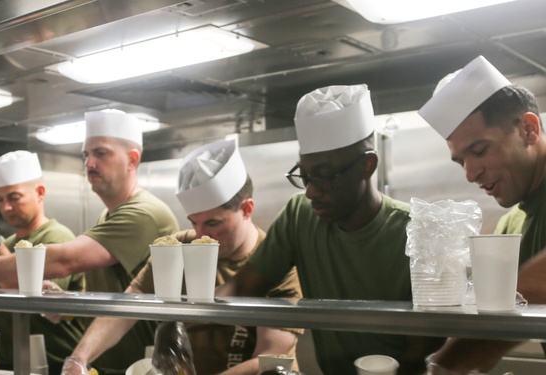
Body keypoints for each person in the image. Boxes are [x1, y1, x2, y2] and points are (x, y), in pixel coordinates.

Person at [217, 85, 444, 375]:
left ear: (367, 165)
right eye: (305, 175)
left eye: (324, 176)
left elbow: (420, 354)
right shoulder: (299, 215)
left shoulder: (419, 231)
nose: (311, 191)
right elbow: (242, 287)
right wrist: (179, 311)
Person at [63, 138, 303, 375]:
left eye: (212, 223)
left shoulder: (273, 260)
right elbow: (125, 310)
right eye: (194, 222)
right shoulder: (178, 247)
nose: (201, 234)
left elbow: (268, 357)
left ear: (247, 209)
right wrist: (79, 358)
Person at [0, 109, 180, 374]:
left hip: (142, 366)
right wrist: (68, 306)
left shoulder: (143, 213)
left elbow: (66, 260)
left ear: (132, 159)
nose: (89, 163)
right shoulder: (106, 215)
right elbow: (113, 294)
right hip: (108, 364)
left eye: (101, 153)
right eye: (86, 155)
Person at [418, 55, 546, 374]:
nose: (471, 174)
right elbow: (495, 331)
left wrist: (452, 361)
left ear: (529, 129)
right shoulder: (509, 227)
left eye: (478, 151)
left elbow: (540, 283)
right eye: (461, 161)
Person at [0, 150, 85, 375]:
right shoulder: (8, 243)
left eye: (14, 198)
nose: (6, 207)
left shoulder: (58, 238)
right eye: (0, 200)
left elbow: (30, 295)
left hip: (57, 364)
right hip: (13, 362)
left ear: (39, 193)